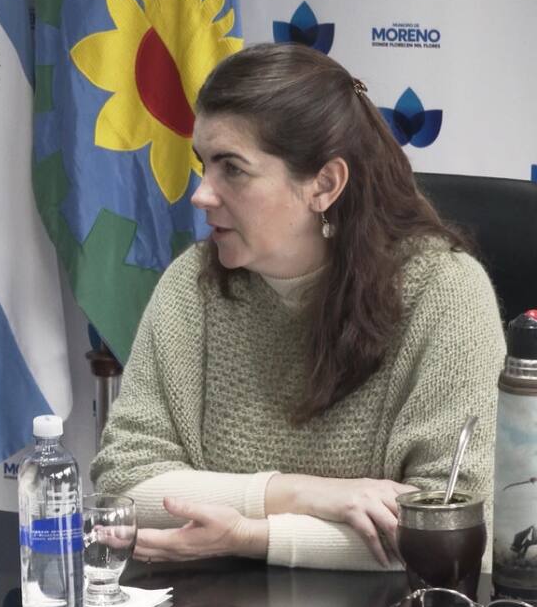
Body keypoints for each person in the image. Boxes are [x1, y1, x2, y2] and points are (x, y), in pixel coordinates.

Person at [90, 43, 505, 571]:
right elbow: (125, 487)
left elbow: (450, 533)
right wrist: (300, 494)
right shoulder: (192, 284)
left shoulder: (444, 293)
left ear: (324, 185)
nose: (201, 194)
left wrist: (249, 535)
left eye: (232, 169)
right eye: (203, 165)